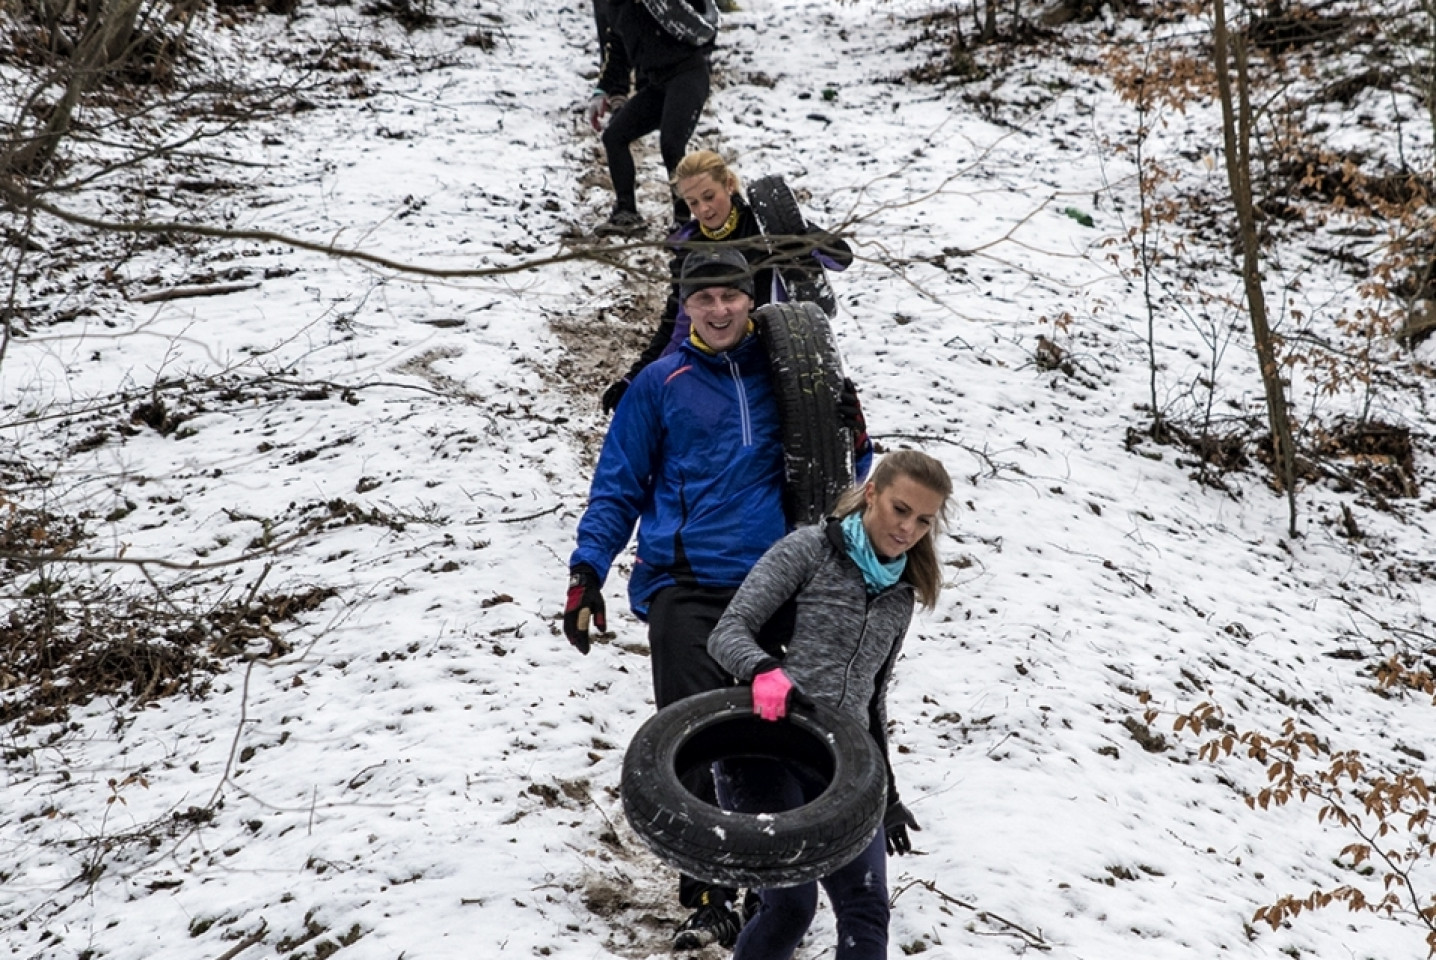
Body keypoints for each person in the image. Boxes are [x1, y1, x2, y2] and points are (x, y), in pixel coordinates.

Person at [565, 248, 869, 950]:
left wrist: (853, 436)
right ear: (687, 308)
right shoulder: (658, 384)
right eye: (705, 300)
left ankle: (791, 873)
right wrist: (588, 572)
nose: (721, 310)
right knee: (694, 736)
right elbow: (617, 485)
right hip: (688, 584)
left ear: (750, 298)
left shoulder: (789, 370)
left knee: (789, 723)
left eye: (732, 296)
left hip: (778, 579)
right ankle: (706, 895)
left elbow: (842, 478)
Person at [705, 449, 954, 960]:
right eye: (900, 509)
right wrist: (763, 670)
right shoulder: (809, 551)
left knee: (867, 910)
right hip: (764, 751)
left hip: (841, 765)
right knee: (791, 902)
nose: (908, 528)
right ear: (871, 494)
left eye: (924, 520)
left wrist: (886, 793)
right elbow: (727, 632)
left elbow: (873, 698)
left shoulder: (901, 594)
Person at [600, 150, 854, 415]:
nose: (704, 209)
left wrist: (796, 236)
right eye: (693, 203)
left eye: (709, 196)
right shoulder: (690, 252)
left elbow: (841, 258)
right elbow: (675, 329)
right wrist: (634, 381)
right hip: (728, 368)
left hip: (788, 352)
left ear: (729, 185)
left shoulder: (765, 223)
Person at [587, 0, 716, 236]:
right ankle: (626, 213)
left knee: (671, 144)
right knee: (614, 137)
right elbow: (616, 50)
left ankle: (684, 221)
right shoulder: (614, 7)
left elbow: (705, 21)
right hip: (656, 84)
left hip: (687, 74)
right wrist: (602, 90)